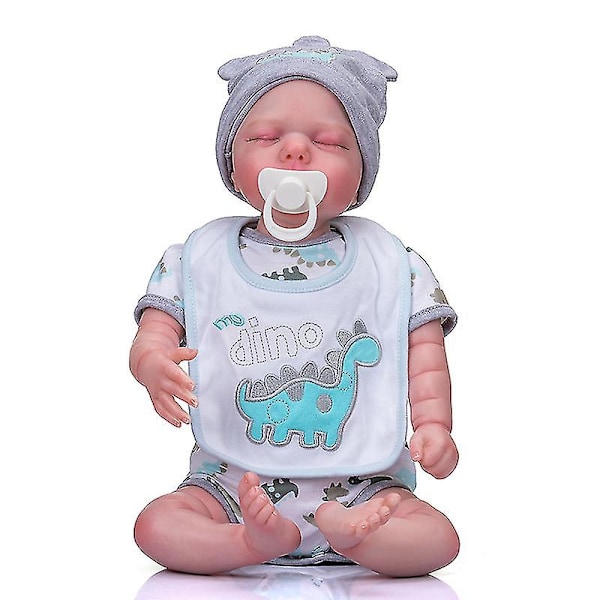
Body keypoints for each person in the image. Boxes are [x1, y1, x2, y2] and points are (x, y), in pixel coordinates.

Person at [130, 36, 460, 577]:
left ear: (361, 172)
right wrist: (150, 360)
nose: (296, 151)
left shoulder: (392, 263)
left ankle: (351, 534)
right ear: (232, 159)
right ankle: (247, 542)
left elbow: (424, 355)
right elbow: (156, 331)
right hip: (230, 486)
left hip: (368, 493)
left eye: (328, 142)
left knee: (438, 540)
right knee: (156, 525)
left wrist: (434, 425)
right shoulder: (196, 258)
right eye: (267, 136)